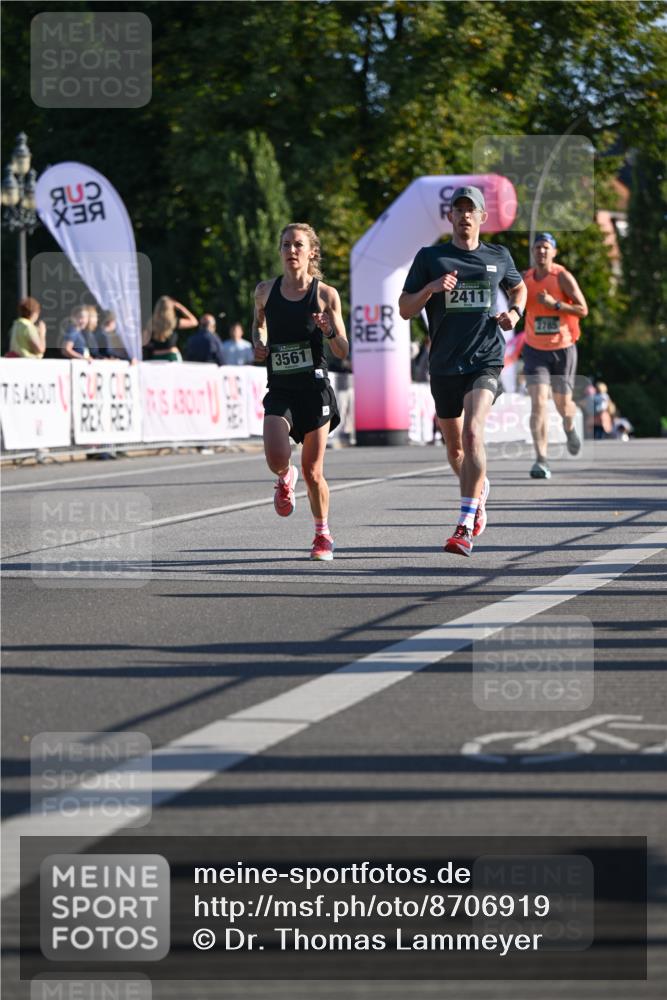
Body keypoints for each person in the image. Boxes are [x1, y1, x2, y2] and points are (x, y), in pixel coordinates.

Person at [399, 185, 526, 557]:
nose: (465, 215)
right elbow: (406, 308)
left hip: (484, 358)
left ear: (482, 217)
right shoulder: (430, 257)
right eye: (459, 210)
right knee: (455, 448)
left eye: (472, 210)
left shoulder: (498, 256)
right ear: (451, 217)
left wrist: (515, 314)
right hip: (443, 364)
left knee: (473, 433)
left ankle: (464, 524)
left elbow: (520, 290)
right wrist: (431, 289)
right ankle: (479, 490)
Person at [252, 222, 348, 561]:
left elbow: (342, 350)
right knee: (276, 458)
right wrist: (259, 344)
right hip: (280, 386)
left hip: (314, 389)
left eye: (298, 245)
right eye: (286, 245)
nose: (291, 251)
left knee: (313, 470)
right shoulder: (264, 291)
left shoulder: (325, 294)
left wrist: (329, 332)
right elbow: (259, 324)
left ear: (311, 252)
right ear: (279, 251)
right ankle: (283, 475)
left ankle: (322, 534)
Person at [522, 232, 589, 478]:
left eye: (546, 247)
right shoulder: (524, 279)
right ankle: (541, 459)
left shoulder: (562, 277)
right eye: (538, 247)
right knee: (538, 403)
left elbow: (583, 309)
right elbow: (515, 305)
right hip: (534, 350)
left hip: (563, 348)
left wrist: (556, 305)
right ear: (533, 251)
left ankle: (570, 427)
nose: (541, 251)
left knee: (563, 405)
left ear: (554, 252)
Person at [143, 296, 197, 361]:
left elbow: (144, 341)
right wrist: (180, 307)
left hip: (157, 356)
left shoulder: (151, 323)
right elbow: (194, 322)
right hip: (172, 355)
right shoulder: (174, 322)